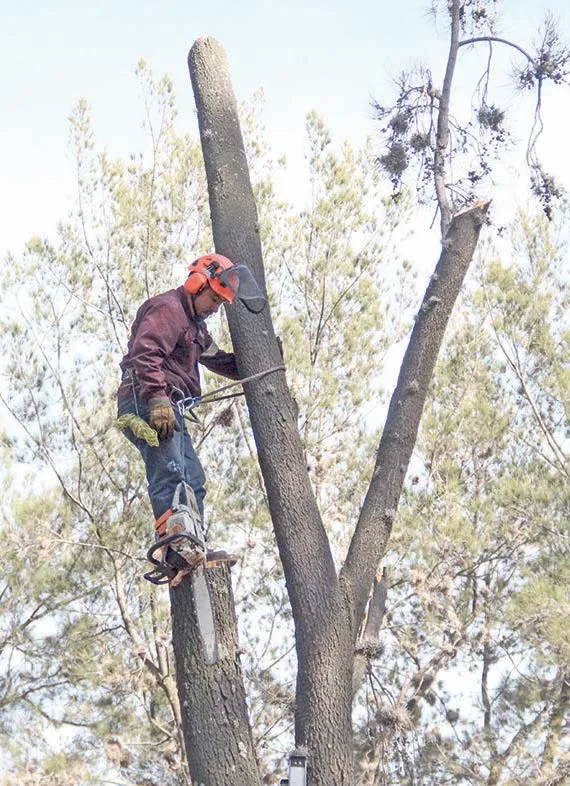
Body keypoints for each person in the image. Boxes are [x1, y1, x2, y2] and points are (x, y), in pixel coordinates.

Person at [117, 253, 265, 578]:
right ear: (197, 284)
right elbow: (146, 351)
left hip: (171, 407)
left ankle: (190, 543)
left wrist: (258, 361)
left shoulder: (196, 329)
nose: (215, 307)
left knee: (193, 479)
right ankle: (174, 547)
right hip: (146, 402)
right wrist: (156, 398)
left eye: (220, 302)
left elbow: (216, 359)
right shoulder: (168, 309)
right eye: (214, 298)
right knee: (171, 472)